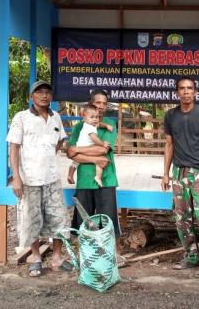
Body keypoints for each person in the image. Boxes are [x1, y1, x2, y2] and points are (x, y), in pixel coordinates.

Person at [7, 81, 72, 277]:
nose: (44, 96)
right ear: (31, 97)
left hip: (52, 178)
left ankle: (57, 257)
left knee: (59, 218)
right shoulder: (22, 118)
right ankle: (36, 257)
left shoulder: (56, 118)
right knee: (31, 219)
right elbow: (14, 147)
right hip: (30, 180)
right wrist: (16, 177)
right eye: (39, 92)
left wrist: (49, 155)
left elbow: (60, 139)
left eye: (47, 93)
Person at [161, 77, 199, 271]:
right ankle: (192, 255)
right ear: (176, 92)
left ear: (195, 92)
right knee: (181, 217)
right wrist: (166, 174)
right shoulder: (170, 115)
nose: (186, 92)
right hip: (179, 172)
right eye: (182, 89)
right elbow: (169, 145)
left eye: (190, 88)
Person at [67, 90, 125, 267]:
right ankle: (85, 254)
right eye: (97, 103)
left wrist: (79, 150)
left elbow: (103, 150)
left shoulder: (109, 124)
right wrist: (90, 157)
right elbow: (70, 152)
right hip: (84, 179)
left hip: (106, 178)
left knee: (108, 219)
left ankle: (112, 254)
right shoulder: (79, 127)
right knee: (83, 219)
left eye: (104, 103)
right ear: (91, 104)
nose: (100, 106)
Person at [67, 103, 113, 187]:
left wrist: (106, 125)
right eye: (92, 117)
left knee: (75, 163)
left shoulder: (91, 124)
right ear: (84, 118)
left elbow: (99, 124)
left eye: (97, 117)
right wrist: (103, 143)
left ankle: (71, 175)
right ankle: (97, 176)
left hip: (83, 148)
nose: (95, 119)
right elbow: (94, 138)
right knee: (100, 158)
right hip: (83, 148)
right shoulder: (88, 127)